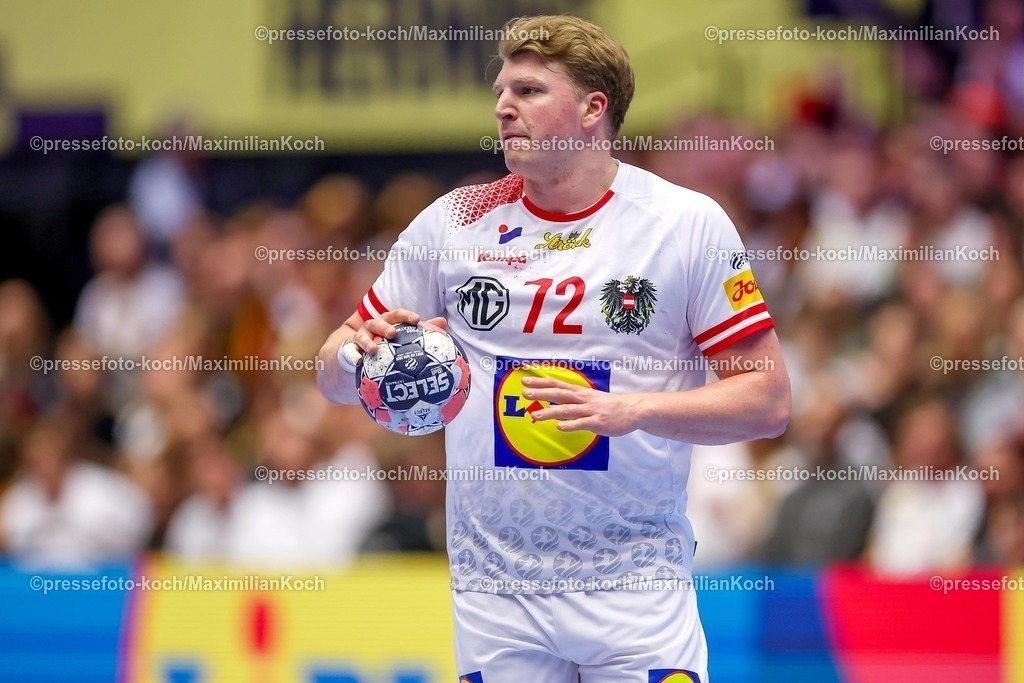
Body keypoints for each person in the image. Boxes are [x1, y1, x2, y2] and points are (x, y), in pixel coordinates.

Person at [318, 15, 790, 682]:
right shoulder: (453, 223)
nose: (504, 106)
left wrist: (630, 411)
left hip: (633, 585)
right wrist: (354, 357)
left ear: (594, 109)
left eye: (531, 90)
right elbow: (332, 372)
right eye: (501, 91)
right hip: (496, 592)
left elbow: (767, 399)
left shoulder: (685, 225)